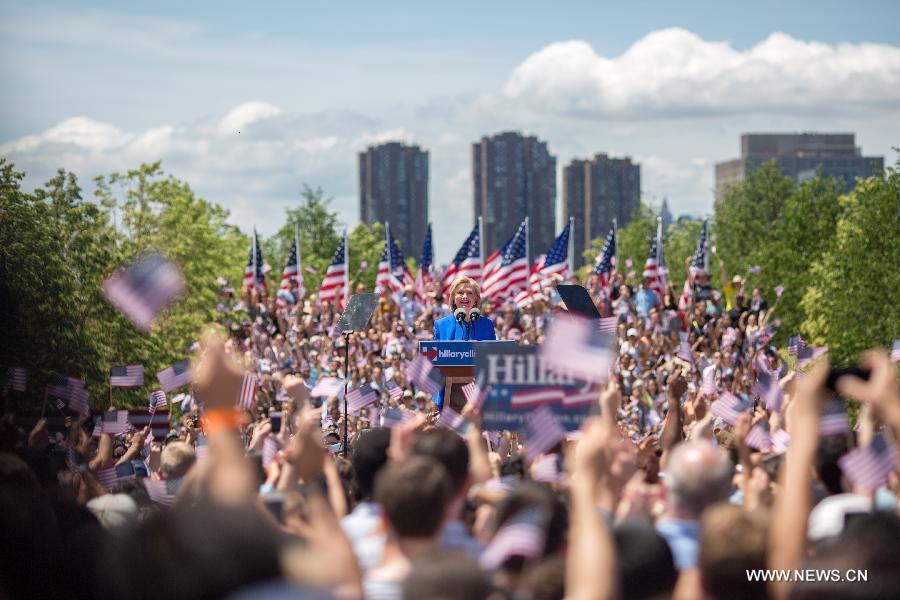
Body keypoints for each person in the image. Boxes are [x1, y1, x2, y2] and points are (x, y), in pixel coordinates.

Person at [432, 277, 496, 409]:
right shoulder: (441, 325)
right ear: (453, 298)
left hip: (479, 393)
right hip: (449, 393)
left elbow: (493, 357)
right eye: (460, 293)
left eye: (469, 293)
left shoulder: (487, 325)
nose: (464, 296)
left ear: (476, 299)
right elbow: (434, 359)